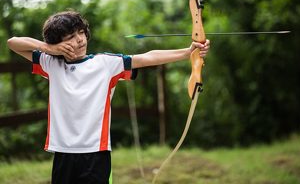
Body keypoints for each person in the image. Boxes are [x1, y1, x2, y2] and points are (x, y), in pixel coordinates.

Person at [6, 10, 210, 184]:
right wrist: (48, 49)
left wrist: (187, 52)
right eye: (70, 37)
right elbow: (13, 43)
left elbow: (147, 57)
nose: (79, 40)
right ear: (57, 43)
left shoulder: (105, 64)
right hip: (63, 152)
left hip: (96, 152)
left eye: (81, 33)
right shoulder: (51, 64)